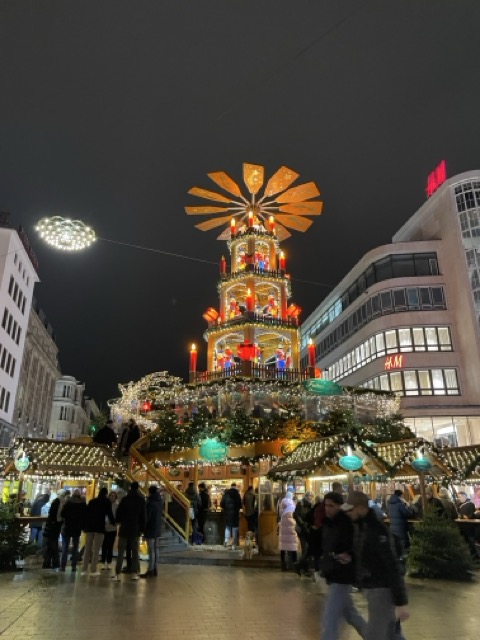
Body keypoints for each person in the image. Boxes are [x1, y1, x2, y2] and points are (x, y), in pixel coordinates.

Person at [342, 491, 409, 640]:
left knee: (376, 635)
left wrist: (401, 602)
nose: (348, 513)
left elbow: (391, 565)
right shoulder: (362, 528)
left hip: (381, 590)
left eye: (351, 509)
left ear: (360, 508)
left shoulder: (376, 531)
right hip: (373, 588)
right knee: (392, 635)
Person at [320, 491, 366, 640]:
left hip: (342, 574)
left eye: (331, 506)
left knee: (330, 617)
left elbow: (356, 546)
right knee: (350, 614)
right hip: (333, 572)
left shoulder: (346, 523)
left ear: (339, 506)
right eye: (326, 505)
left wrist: (349, 555)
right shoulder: (328, 523)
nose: (327, 509)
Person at [112, 481, 146, 582]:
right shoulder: (141, 500)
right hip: (135, 529)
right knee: (135, 552)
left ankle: (118, 573)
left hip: (124, 529)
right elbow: (143, 516)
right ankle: (135, 573)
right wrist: (142, 529)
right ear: (138, 488)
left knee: (121, 552)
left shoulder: (125, 499)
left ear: (130, 488)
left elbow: (119, 513)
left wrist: (118, 521)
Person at [81, 487, 115, 576]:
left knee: (87, 548)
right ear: (106, 494)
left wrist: (84, 526)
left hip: (89, 528)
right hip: (99, 528)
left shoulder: (92, 501)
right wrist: (114, 522)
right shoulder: (106, 502)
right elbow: (109, 513)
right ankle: (93, 570)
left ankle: (84, 570)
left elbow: (85, 514)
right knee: (96, 550)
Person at [140, 485, 164, 578]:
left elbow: (147, 517)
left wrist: (143, 528)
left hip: (150, 529)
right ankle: (155, 568)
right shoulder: (160, 502)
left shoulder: (150, 502)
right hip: (157, 528)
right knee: (156, 549)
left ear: (150, 492)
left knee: (151, 550)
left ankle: (150, 569)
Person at [60, 489, 87, 572]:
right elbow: (85, 516)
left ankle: (63, 566)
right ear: (79, 495)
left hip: (67, 527)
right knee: (75, 548)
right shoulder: (82, 504)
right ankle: (74, 566)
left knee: (65, 547)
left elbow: (62, 514)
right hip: (77, 528)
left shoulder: (68, 502)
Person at [293, 491, 313, 576]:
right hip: (302, 529)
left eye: (311, 497)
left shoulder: (310, 505)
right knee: (305, 549)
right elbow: (296, 515)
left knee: (307, 549)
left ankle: (302, 567)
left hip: (307, 529)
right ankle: (302, 567)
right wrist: (303, 524)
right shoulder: (300, 504)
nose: (310, 498)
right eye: (310, 496)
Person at [42, 491, 63, 569]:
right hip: (54, 529)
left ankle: (47, 563)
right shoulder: (58, 504)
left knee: (50, 546)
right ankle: (54, 562)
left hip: (50, 528)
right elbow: (59, 518)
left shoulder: (54, 505)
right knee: (53, 546)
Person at [278, 491, 298, 571]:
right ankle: (294, 565)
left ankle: (283, 566)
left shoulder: (282, 510)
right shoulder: (292, 508)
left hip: (283, 533)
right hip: (291, 533)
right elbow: (294, 521)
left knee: (283, 548)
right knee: (293, 548)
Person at [101, 491, 119, 570]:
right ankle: (103, 562)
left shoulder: (117, 506)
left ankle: (109, 562)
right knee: (104, 545)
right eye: (110, 495)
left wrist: (116, 523)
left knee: (110, 546)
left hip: (113, 528)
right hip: (104, 527)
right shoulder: (104, 504)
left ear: (115, 497)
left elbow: (118, 516)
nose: (112, 497)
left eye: (113, 496)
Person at [221, 482, 242, 550]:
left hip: (227, 513)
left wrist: (226, 508)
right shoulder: (237, 494)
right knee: (235, 527)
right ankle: (234, 543)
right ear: (235, 486)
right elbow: (240, 504)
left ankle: (226, 541)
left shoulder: (226, 494)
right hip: (235, 513)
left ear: (231, 486)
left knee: (227, 527)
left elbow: (222, 504)